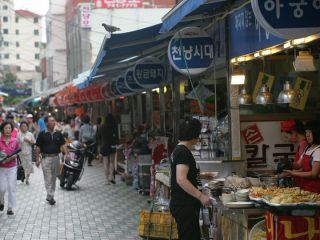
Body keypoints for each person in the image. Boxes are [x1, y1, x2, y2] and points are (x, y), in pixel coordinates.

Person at [170, 117, 212, 240]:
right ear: (194, 135)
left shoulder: (178, 149)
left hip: (182, 203)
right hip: (185, 204)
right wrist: (201, 196)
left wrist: (201, 175)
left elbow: (183, 175)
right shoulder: (183, 152)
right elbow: (181, 179)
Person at [35, 116, 68, 205]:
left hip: (56, 158)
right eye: (51, 121)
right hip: (45, 158)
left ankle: (49, 196)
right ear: (46, 123)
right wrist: (37, 159)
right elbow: (37, 147)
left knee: (53, 178)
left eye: (54, 121)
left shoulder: (58, 134)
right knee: (48, 178)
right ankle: (51, 195)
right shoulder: (42, 134)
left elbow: (64, 144)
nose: (53, 122)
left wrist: (67, 154)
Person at [284, 120, 320, 193]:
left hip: (315, 189)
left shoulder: (318, 150)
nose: (307, 135)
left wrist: (293, 173)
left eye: (310, 132)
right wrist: (288, 163)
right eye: (306, 132)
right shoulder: (308, 148)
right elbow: (298, 164)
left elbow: (313, 174)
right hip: (305, 187)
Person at [280, 119, 308, 187]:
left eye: (287, 135)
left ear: (294, 132)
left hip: (304, 182)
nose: (287, 138)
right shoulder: (302, 143)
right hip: (300, 180)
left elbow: (303, 167)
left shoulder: (303, 144)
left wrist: (288, 172)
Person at [0, 121, 20, 215]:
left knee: (11, 187)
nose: (8, 130)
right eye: (6, 128)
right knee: (2, 188)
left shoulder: (15, 140)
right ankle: (1, 201)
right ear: (2, 130)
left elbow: (17, 151)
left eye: (9, 128)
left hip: (12, 167)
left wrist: (13, 157)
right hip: (1, 168)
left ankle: (10, 208)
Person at [100, 114, 118, 184]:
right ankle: (111, 177)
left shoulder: (102, 126)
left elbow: (99, 136)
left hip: (104, 146)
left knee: (105, 163)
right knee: (112, 162)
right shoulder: (114, 126)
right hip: (112, 146)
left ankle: (107, 180)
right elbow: (116, 137)